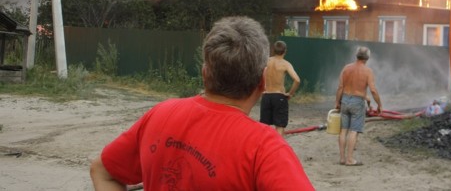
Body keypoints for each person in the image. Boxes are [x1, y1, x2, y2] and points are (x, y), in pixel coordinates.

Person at [90, 16, 314, 190]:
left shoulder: (160, 114)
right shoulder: (265, 148)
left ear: (205, 73)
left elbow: (101, 171)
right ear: (262, 81)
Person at [335, 45, 382, 166]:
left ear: (356, 56)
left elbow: (340, 87)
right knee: (354, 131)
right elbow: (373, 90)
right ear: (367, 58)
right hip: (357, 102)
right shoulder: (368, 71)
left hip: (345, 100)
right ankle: (350, 159)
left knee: (343, 130)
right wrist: (379, 105)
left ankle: (342, 158)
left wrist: (337, 102)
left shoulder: (346, 68)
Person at [260, 40, 301, 136]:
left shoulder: (266, 61)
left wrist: (262, 88)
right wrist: (290, 94)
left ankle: (263, 149)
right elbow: (297, 80)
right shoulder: (285, 64)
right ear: (285, 51)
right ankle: (277, 149)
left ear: (273, 50)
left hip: (266, 96)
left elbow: (258, 73)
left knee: (264, 126)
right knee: (279, 126)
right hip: (279, 97)